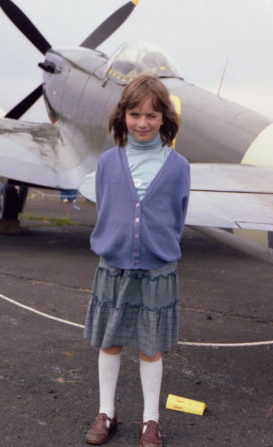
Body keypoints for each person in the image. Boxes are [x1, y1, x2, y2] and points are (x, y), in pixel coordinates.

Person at [84, 74, 190, 446]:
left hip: (157, 270)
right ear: (122, 116)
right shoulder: (107, 163)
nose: (143, 122)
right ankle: (107, 413)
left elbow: (177, 214)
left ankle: (150, 420)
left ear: (165, 119)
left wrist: (152, 245)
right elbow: (107, 207)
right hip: (113, 268)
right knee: (109, 343)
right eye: (134, 114)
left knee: (150, 347)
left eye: (152, 115)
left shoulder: (179, 167)